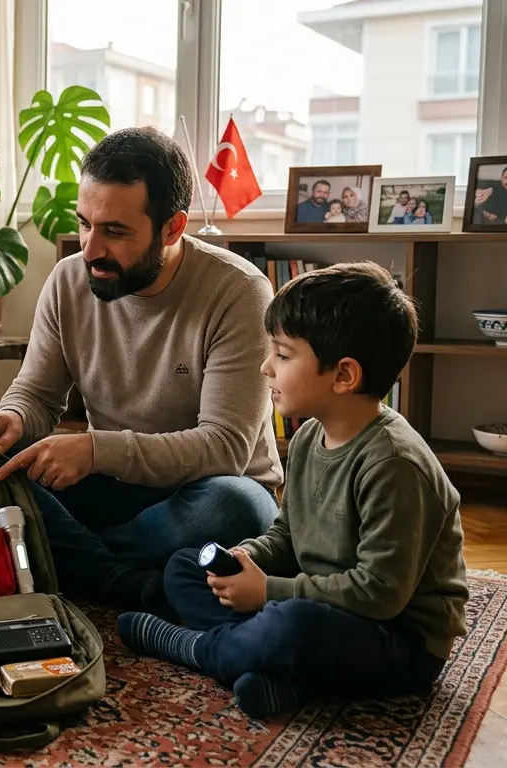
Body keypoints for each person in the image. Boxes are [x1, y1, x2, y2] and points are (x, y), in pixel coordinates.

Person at [118, 262, 468, 720]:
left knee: (294, 626)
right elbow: (287, 534)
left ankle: (202, 650)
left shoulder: (394, 465)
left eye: (283, 355)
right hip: (316, 604)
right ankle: (280, 674)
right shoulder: (307, 437)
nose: (266, 367)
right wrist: (248, 559)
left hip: (395, 639)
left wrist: (269, 593)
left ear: (344, 376)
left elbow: (381, 593)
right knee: (186, 566)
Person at [0, 126, 281, 612]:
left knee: (237, 509)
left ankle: (71, 560)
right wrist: (9, 418)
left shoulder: (238, 293)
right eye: (85, 224)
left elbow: (225, 448)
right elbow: (37, 394)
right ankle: (125, 576)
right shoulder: (70, 279)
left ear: (173, 228)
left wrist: (95, 451)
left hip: (201, 491)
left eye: (114, 232)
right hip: (114, 490)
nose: (90, 249)